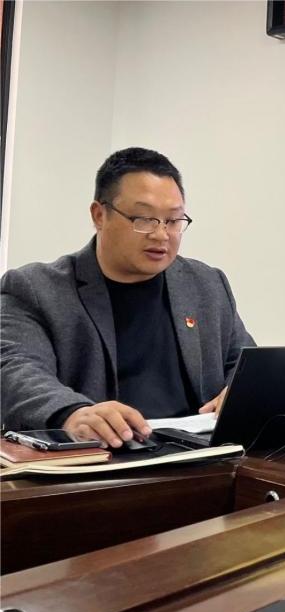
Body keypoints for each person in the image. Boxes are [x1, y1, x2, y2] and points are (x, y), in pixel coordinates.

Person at [1, 147, 255, 447]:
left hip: (201, 457)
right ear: (99, 215)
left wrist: (238, 392)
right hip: (105, 458)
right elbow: (15, 369)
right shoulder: (36, 288)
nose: (161, 234)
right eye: (144, 218)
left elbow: (244, 363)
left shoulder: (207, 285)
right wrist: (72, 412)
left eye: (173, 220)